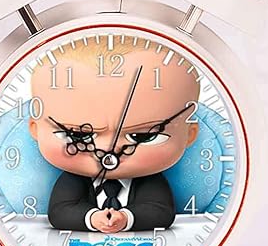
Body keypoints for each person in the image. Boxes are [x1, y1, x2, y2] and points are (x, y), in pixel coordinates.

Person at [28, 35, 200, 232]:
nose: (109, 152)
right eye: (78, 136)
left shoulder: (149, 181)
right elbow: (60, 212)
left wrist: (126, 218)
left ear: (190, 134)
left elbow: (161, 212)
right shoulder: (73, 180)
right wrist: (92, 218)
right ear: (35, 129)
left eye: (142, 136)